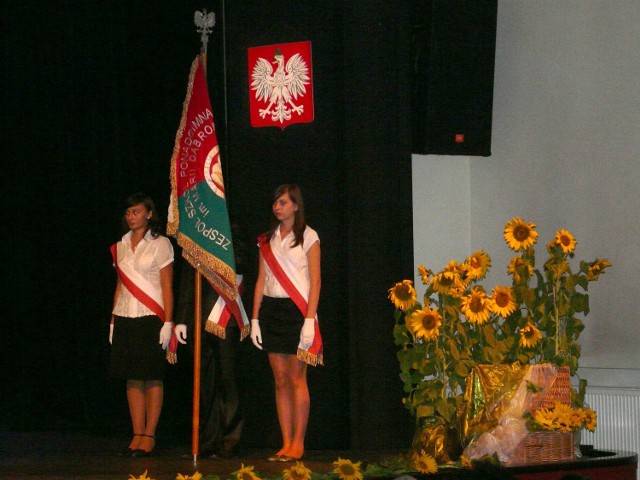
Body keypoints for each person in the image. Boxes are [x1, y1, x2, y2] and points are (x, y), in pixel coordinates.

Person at [250, 184, 323, 462]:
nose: (277, 207)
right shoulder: (266, 239)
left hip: (297, 311)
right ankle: (285, 443)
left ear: (295, 205)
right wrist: (255, 318)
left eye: (282, 202)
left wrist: (309, 320)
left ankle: (298, 443)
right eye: (275, 202)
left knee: (296, 378)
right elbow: (260, 280)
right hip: (272, 310)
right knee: (279, 381)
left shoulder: (309, 236)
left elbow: (315, 281)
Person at [109, 192, 174, 457]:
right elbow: (120, 285)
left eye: (136, 212)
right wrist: (113, 320)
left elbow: (167, 285)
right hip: (125, 314)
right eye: (128, 213)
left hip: (151, 316)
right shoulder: (120, 245)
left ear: (149, 214)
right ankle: (136, 434)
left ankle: (149, 434)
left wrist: (169, 321)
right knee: (132, 377)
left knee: (151, 376)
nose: (131, 217)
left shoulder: (161, 243)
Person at [173, 235, 247, 459]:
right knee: (205, 383)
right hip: (199, 318)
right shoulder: (194, 232)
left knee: (228, 380)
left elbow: (241, 264)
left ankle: (229, 441)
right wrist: (182, 319)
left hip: (226, 316)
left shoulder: (231, 231)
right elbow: (187, 281)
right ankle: (207, 441)